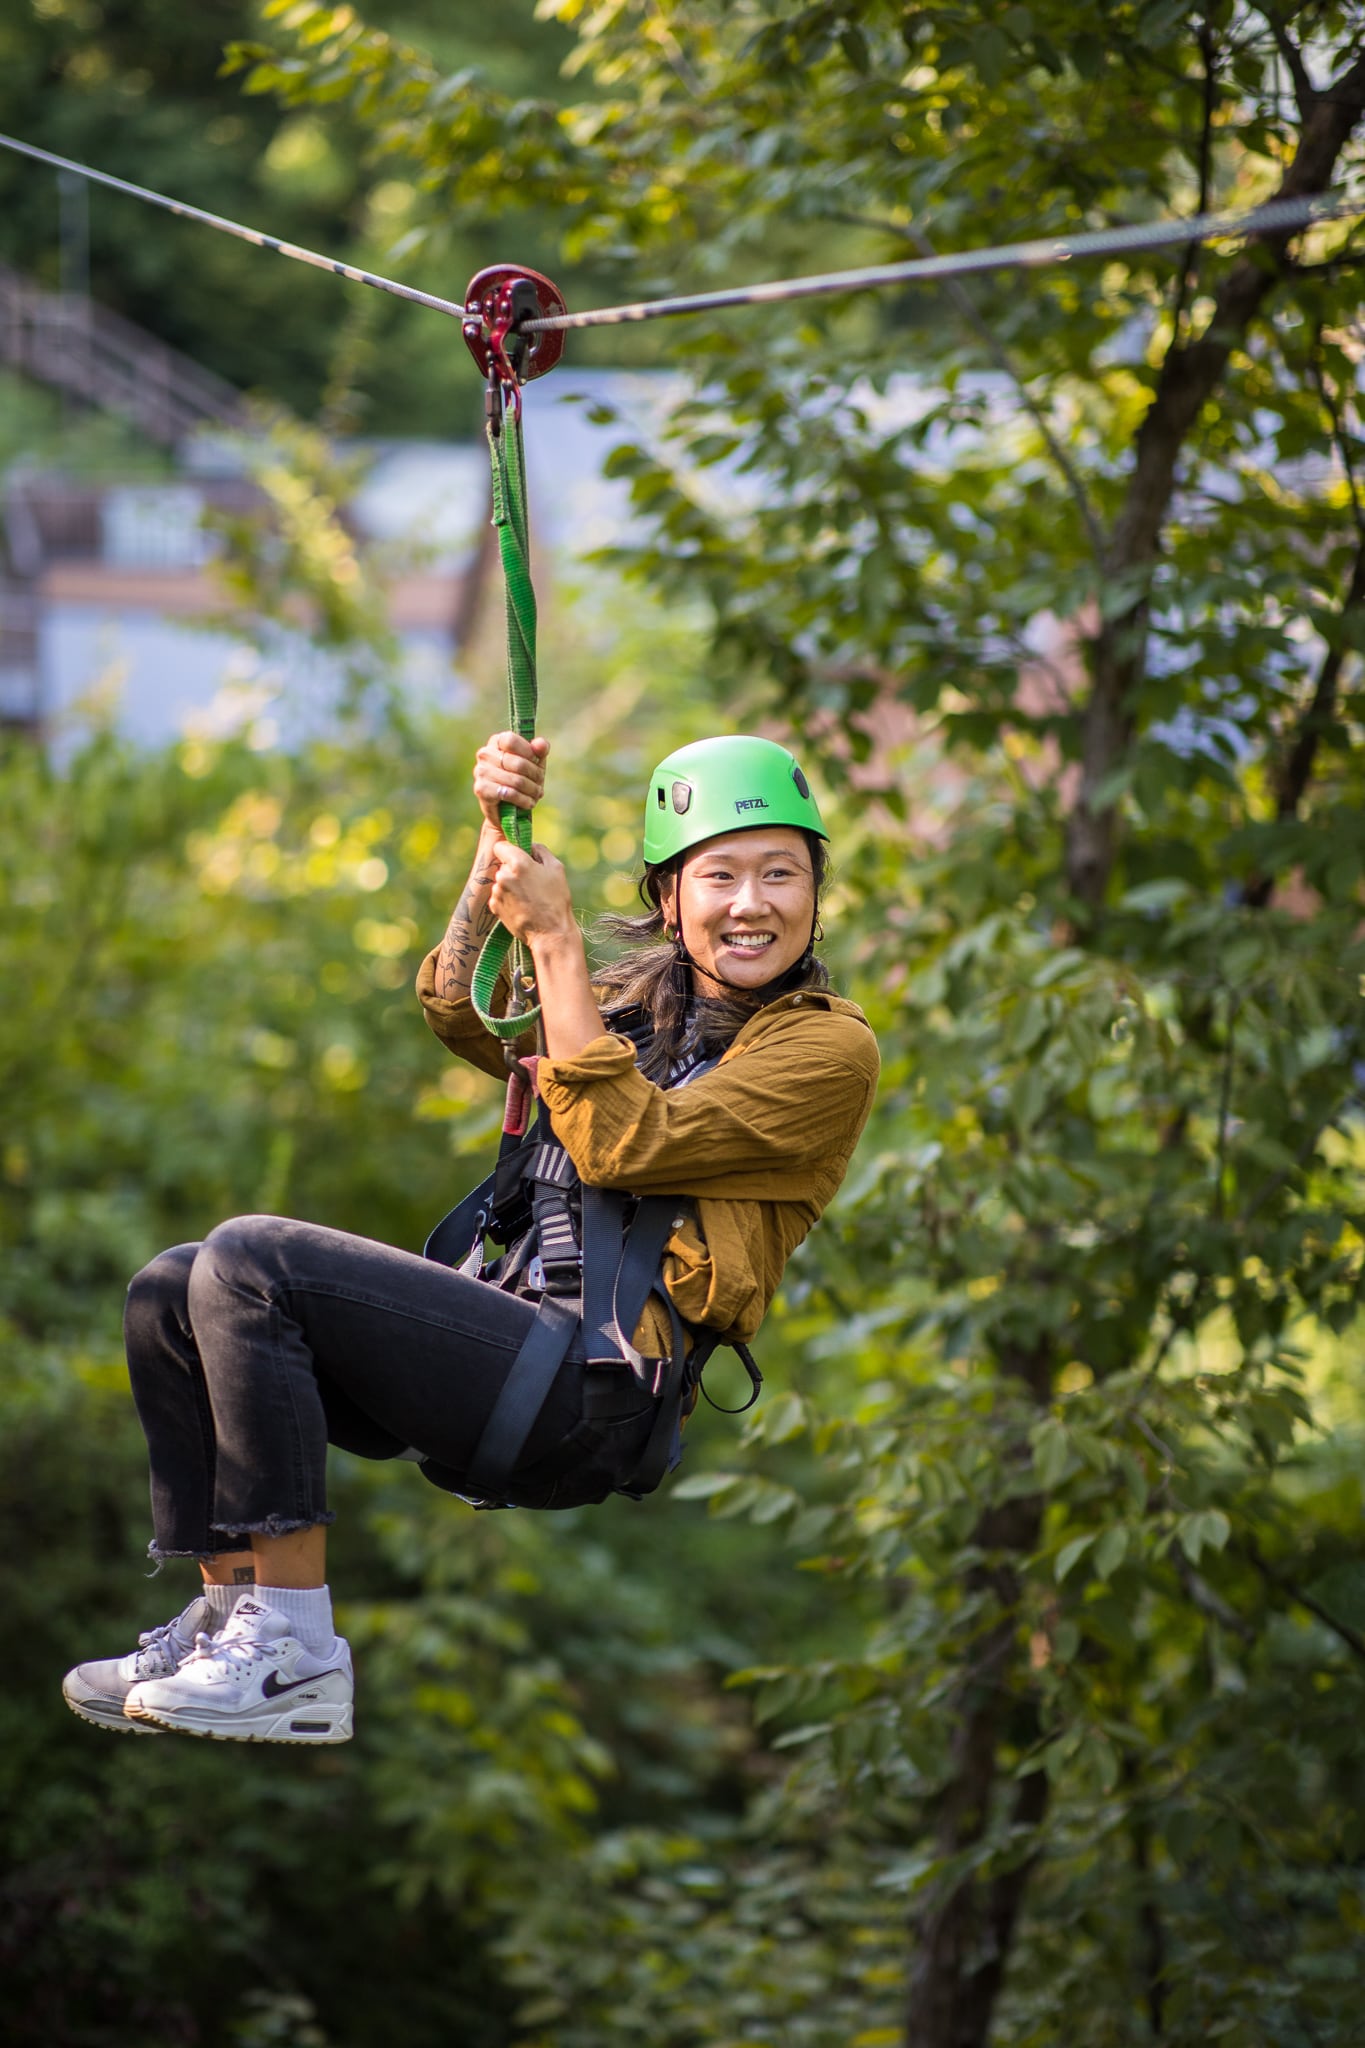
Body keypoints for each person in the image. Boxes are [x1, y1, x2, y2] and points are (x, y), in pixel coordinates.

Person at [61, 731, 879, 1745]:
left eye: (780, 874)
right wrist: (493, 844)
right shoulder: (631, 1009)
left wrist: (560, 937)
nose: (752, 902)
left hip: (592, 1385)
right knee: (171, 1288)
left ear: (814, 890)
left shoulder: (826, 1047)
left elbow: (627, 1138)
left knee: (252, 1256)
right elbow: (464, 1005)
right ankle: (230, 1620)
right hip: (511, 1336)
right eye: (720, 875)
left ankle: (296, 1647)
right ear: (672, 899)